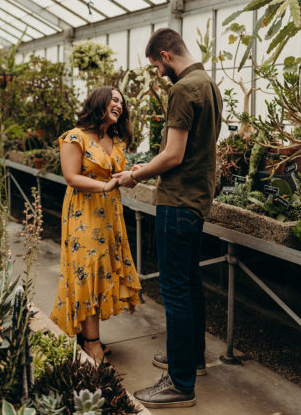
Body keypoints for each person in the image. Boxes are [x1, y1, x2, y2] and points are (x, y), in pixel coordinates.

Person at [114, 28, 222, 409]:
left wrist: (135, 174)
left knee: (175, 292)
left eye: (157, 67)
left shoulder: (182, 89)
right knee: (190, 284)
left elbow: (174, 155)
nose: (158, 75)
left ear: (164, 54)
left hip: (176, 203)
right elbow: (189, 150)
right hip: (196, 199)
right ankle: (191, 360)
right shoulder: (207, 83)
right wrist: (152, 163)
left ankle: (179, 383)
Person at [51, 86, 141, 364]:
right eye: (114, 99)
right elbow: (71, 177)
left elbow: (117, 176)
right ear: (99, 101)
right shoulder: (74, 137)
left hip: (110, 216)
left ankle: (90, 336)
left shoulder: (114, 140)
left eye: (122, 103)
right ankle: (90, 342)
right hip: (84, 215)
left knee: (102, 271)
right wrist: (105, 186)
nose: (119, 105)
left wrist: (133, 175)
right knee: (87, 272)